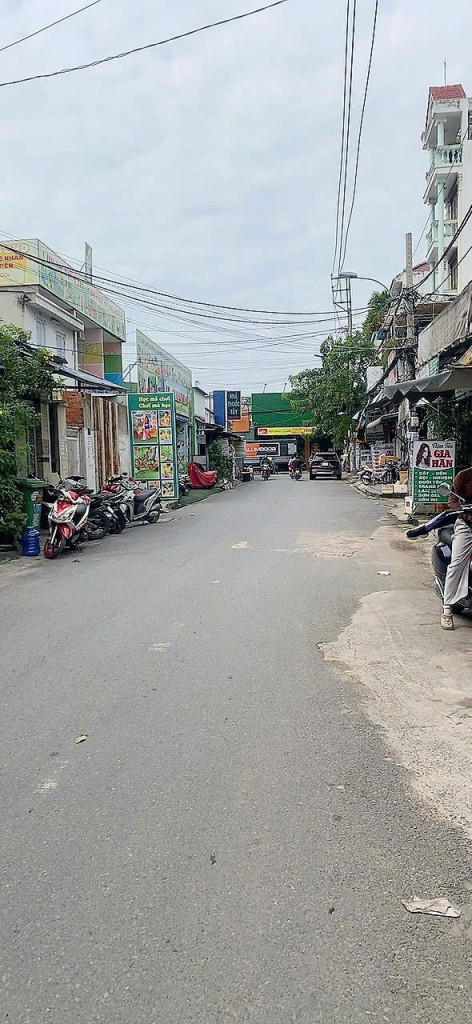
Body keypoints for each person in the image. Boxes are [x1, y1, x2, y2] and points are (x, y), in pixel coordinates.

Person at [441, 467, 472, 630]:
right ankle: (447, 609)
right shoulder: (464, 476)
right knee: (457, 564)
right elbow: (452, 500)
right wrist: (464, 510)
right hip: (467, 525)